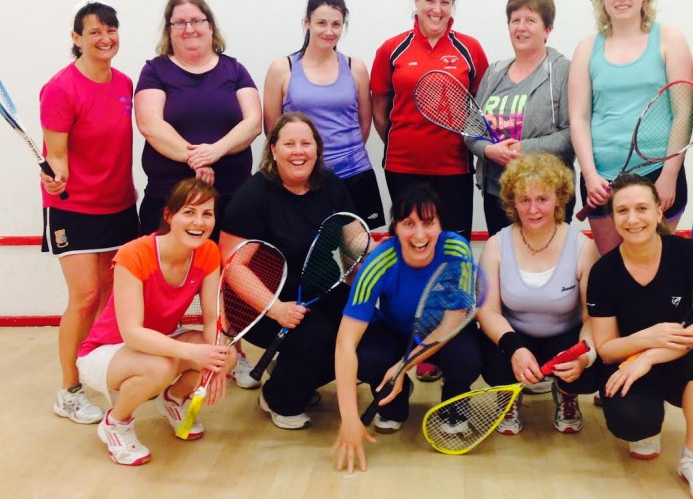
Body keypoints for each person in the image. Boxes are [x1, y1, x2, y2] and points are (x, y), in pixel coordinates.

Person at [583, 173, 693, 499]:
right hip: (628, 365)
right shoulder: (604, 272)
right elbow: (608, 350)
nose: (633, 218)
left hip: (674, 360)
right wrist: (644, 339)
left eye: (642, 208)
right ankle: (647, 426)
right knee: (632, 423)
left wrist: (650, 355)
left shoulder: (689, 254)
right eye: (622, 211)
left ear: (658, 212)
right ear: (612, 219)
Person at [76, 178, 234, 466]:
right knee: (160, 366)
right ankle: (116, 422)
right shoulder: (134, 255)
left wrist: (217, 357)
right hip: (106, 351)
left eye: (207, 214)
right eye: (189, 212)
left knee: (227, 355)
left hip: (160, 341)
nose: (198, 221)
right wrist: (193, 353)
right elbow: (133, 334)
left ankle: (174, 399)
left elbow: (212, 317)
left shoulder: (209, 252)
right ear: (168, 216)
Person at [219, 112, 358, 430]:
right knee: (318, 338)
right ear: (273, 149)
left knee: (365, 330)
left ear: (317, 149)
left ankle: (291, 376)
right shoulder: (253, 196)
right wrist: (275, 308)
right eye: (290, 143)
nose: (299, 151)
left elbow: (356, 242)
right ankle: (279, 397)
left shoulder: (333, 187)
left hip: (318, 291)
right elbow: (234, 265)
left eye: (306, 143)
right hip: (258, 304)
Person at [332, 185, 482, 474]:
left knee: (467, 359)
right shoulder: (377, 262)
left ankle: (454, 400)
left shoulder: (457, 250)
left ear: (441, 225)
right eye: (408, 224)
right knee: (366, 358)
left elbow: (452, 322)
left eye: (428, 223)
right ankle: (394, 400)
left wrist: (404, 365)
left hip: (443, 333)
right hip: (395, 332)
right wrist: (349, 417)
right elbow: (345, 344)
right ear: (395, 228)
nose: (419, 235)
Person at [41, 0, 138, 426]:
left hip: (119, 204)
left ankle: (94, 371)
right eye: (94, 31)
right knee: (82, 298)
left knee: (106, 298)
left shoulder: (125, 83)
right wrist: (55, 177)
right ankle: (68, 390)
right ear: (76, 38)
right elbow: (56, 156)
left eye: (111, 29)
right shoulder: (60, 89)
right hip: (74, 208)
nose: (105, 38)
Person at [569, 0, 693, 256]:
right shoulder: (587, 48)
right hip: (602, 178)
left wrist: (668, 175)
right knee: (613, 273)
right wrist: (590, 176)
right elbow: (578, 117)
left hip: (657, 174)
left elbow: (683, 114)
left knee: (658, 274)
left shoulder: (670, 39)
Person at [477, 154, 600, 435]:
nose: (533, 210)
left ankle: (567, 394)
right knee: (490, 359)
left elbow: (592, 317)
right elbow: (488, 312)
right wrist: (515, 350)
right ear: (513, 202)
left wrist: (583, 356)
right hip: (516, 335)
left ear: (559, 198)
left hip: (565, 337)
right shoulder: (497, 245)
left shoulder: (582, 247)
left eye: (542, 199)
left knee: (590, 367)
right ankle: (508, 394)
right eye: (524, 200)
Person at [371, 0, 489, 240]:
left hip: (454, 167)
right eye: (430, 1)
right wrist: (395, 140)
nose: (437, 9)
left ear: (452, 6)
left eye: (445, 2)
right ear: (417, 0)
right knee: (411, 244)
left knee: (453, 247)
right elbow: (379, 105)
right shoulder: (392, 48)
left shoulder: (470, 49)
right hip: (402, 167)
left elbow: (481, 103)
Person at [135, 0, 262, 238]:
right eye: (179, 23)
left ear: (210, 26)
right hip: (169, 200)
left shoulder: (234, 70)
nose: (189, 28)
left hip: (231, 201)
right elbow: (150, 124)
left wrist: (216, 151)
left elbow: (253, 123)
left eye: (196, 21)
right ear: (169, 30)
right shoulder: (155, 71)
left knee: (227, 274)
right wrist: (196, 159)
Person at [262, 0, 385, 229]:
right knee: (310, 253)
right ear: (307, 22)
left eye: (336, 25)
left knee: (358, 256)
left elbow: (364, 124)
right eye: (321, 23)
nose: (329, 31)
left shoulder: (355, 67)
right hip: (303, 178)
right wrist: (306, 162)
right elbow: (272, 130)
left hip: (355, 174)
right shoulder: (281, 68)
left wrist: (342, 156)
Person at [464, 0, 575, 237]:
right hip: (499, 194)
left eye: (530, 20)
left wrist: (522, 149)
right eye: (515, 20)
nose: (521, 28)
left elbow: (572, 135)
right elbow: (471, 131)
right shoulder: (494, 73)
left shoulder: (563, 71)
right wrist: (489, 150)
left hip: (548, 196)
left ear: (547, 30)